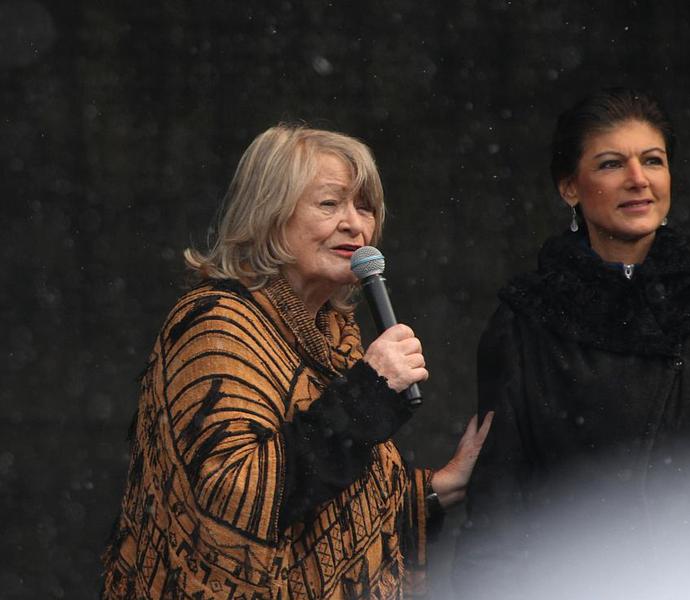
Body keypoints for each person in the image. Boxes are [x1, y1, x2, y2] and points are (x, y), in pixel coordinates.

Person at [102, 124, 492, 599]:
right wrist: (367, 395)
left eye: (364, 206)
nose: (355, 224)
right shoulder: (215, 324)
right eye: (330, 204)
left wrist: (437, 489)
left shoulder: (335, 336)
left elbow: (331, 503)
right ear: (268, 215)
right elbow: (237, 496)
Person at [453, 87, 690, 597]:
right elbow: (502, 510)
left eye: (653, 160)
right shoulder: (527, 321)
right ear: (570, 187)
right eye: (612, 164)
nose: (638, 179)